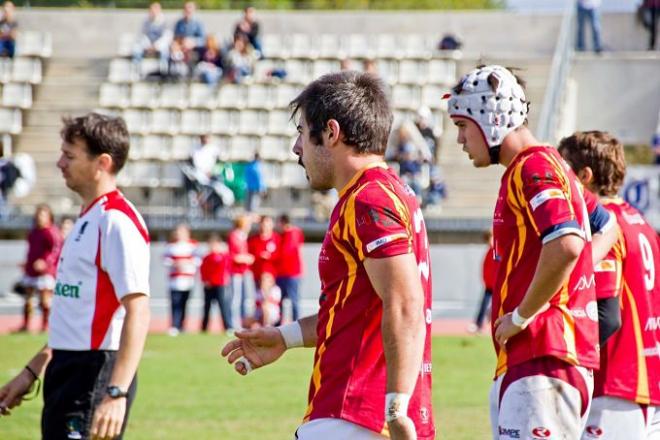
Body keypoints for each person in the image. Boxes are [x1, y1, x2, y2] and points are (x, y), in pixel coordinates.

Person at [222, 71, 435, 440]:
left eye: (303, 132)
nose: (296, 148)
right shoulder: (391, 192)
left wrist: (397, 405)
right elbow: (355, 309)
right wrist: (285, 337)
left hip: (355, 413)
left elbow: (404, 301)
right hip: (363, 414)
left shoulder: (368, 199)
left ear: (332, 133)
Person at [446, 65, 617, 439]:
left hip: (544, 354)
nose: (459, 139)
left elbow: (567, 244)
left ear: (490, 118)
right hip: (546, 358)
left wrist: (523, 315)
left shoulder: (533, 167)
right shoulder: (550, 164)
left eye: (462, 125)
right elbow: (606, 226)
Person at [0, 113, 150, 440]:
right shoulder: (88, 218)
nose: (59, 163)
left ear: (102, 163)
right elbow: (75, 319)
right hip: (66, 370)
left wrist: (116, 393)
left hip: (94, 375)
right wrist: (31, 372)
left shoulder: (116, 223)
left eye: (70, 155)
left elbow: (138, 310)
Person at [557, 131, 660, 440]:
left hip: (616, 385)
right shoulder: (641, 222)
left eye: (563, 172)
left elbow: (606, 316)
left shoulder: (603, 228)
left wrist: (562, 361)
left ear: (584, 177)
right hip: (648, 383)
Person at [19, 204, 62, 333]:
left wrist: (45, 262)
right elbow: (31, 250)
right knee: (28, 299)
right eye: (38, 214)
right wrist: (27, 263)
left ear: (49, 217)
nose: (39, 217)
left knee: (45, 300)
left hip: (45, 272)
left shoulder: (52, 232)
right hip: (31, 270)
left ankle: (45, 325)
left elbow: (55, 251)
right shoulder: (33, 232)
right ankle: (26, 325)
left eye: (42, 214)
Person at [163, 223, 198, 336]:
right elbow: (165, 260)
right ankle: (174, 325)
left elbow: (198, 260)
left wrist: (186, 263)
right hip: (174, 280)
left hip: (188, 280)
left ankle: (182, 326)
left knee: (184, 303)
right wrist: (175, 263)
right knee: (175, 303)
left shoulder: (193, 245)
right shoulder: (170, 246)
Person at [274, 213, 303, 323]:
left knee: (293, 300)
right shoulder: (285, 234)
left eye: (278, 223)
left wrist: (271, 255)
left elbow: (286, 251)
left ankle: (297, 325)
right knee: (279, 301)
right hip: (282, 273)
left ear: (283, 223)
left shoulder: (292, 233)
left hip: (291, 273)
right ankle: (278, 325)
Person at [199, 234, 231, 333]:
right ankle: (204, 328)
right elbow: (203, 270)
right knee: (206, 307)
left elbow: (225, 269)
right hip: (209, 286)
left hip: (220, 285)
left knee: (223, 306)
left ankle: (228, 327)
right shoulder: (206, 258)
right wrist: (205, 280)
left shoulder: (223, 257)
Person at [467, 230, 497, 334]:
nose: (490, 241)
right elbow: (486, 268)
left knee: (496, 307)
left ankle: (492, 325)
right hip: (489, 285)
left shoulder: (497, 252)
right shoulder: (490, 251)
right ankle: (479, 324)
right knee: (484, 305)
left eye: (491, 238)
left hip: (497, 285)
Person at [228, 214, 254, 329]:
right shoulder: (234, 236)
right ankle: (234, 324)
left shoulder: (242, 236)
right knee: (236, 298)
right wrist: (246, 258)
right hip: (236, 272)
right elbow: (234, 256)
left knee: (244, 298)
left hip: (243, 271)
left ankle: (243, 323)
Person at [132, 1, 171, 70]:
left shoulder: (164, 22)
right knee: (136, 49)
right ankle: (136, 69)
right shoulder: (146, 22)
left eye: (156, 10)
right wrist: (148, 45)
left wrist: (156, 46)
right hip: (147, 45)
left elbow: (166, 37)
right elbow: (142, 35)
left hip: (159, 46)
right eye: (152, 10)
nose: (153, 12)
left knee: (165, 51)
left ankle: (163, 71)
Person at [248, 215, 279, 289]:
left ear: (272, 225)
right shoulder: (253, 240)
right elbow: (249, 256)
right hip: (255, 276)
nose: (264, 226)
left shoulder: (277, 239)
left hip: (272, 278)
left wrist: (270, 257)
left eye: (267, 223)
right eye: (263, 223)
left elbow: (282, 256)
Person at [172, 1, 205, 66]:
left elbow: (203, 40)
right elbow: (176, 37)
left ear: (194, 9)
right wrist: (177, 43)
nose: (187, 10)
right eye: (185, 8)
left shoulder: (198, 23)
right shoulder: (179, 23)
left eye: (189, 7)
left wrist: (193, 42)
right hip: (181, 48)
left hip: (194, 48)